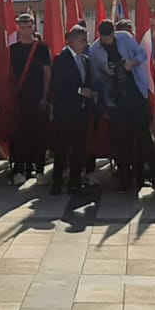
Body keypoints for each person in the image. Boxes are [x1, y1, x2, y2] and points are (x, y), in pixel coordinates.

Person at [90, 19, 153, 192]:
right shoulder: (94, 50)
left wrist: (132, 62)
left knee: (141, 137)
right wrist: (104, 71)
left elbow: (142, 54)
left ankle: (143, 177)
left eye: (110, 37)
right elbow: (95, 78)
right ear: (100, 36)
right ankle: (124, 178)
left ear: (114, 33)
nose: (108, 41)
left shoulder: (125, 37)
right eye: (105, 38)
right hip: (115, 100)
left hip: (134, 94)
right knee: (120, 140)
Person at [49, 26, 98, 195]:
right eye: (83, 40)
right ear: (73, 40)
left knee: (79, 148)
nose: (86, 44)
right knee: (62, 148)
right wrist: (79, 90)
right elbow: (58, 84)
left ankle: (75, 181)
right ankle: (57, 181)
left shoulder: (84, 60)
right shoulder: (61, 59)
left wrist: (91, 92)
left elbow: (88, 81)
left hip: (82, 111)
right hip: (65, 112)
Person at [8, 13, 52, 186]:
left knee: (38, 136)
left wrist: (44, 95)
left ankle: (39, 169)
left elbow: (47, 73)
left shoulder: (41, 48)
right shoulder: (12, 49)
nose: (25, 30)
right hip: (18, 99)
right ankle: (20, 169)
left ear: (34, 27)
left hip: (37, 98)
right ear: (18, 27)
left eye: (29, 26)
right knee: (19, 136)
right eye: (22, 27)